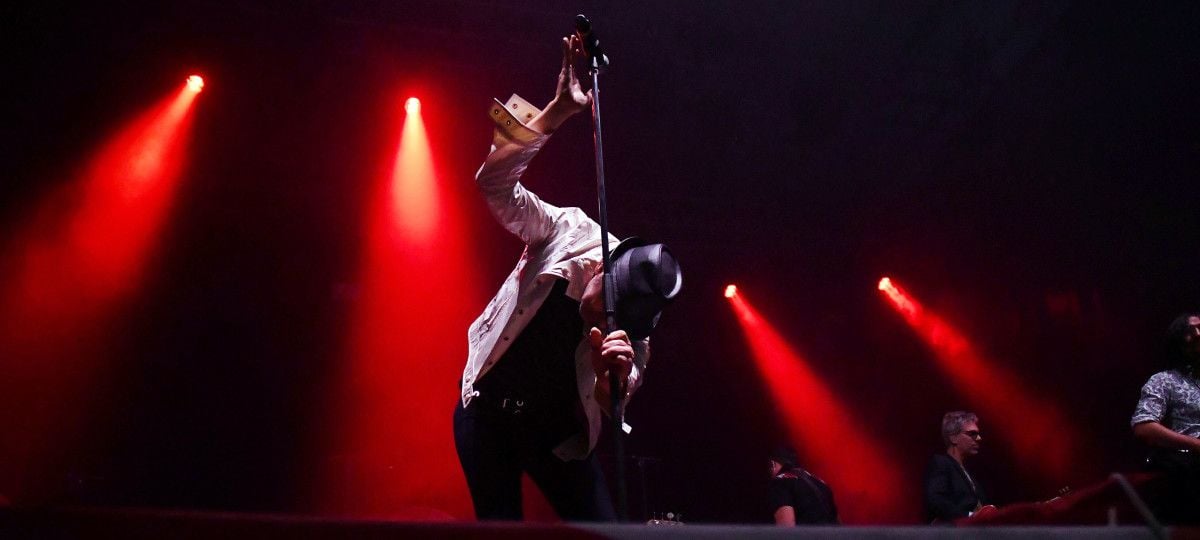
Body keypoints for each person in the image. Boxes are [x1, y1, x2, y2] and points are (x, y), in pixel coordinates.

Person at [452, 35, 682, 522]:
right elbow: (493, 186)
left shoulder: (636, 332)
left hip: (555, 435)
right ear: (604, 268)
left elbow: (617, 405)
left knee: (603, 528)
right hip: (487, 409)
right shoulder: (569, 231)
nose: (598, 317)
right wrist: (556, 112)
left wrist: (609, 381)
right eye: (603, 301)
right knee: (498, 526)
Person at [1131, 313, 1200, 524]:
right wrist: (1196, 444)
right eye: (1192, 331)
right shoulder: (1165, 380)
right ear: (1181, 343)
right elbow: (1144, 426)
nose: (1199, 333)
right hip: (1187, 473)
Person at [923, 411, 988, 523]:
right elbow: (936, 500)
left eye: (977, 434)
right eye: (972, 434)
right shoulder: (941, 463)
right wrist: (969, 517)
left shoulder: (969, 474)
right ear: (953, 438)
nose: (979, 438)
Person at [767, 446, 838, 525]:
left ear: (772, 464)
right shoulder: (822, 483)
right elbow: (838, 522)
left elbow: (786, 528)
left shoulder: (780, 482)